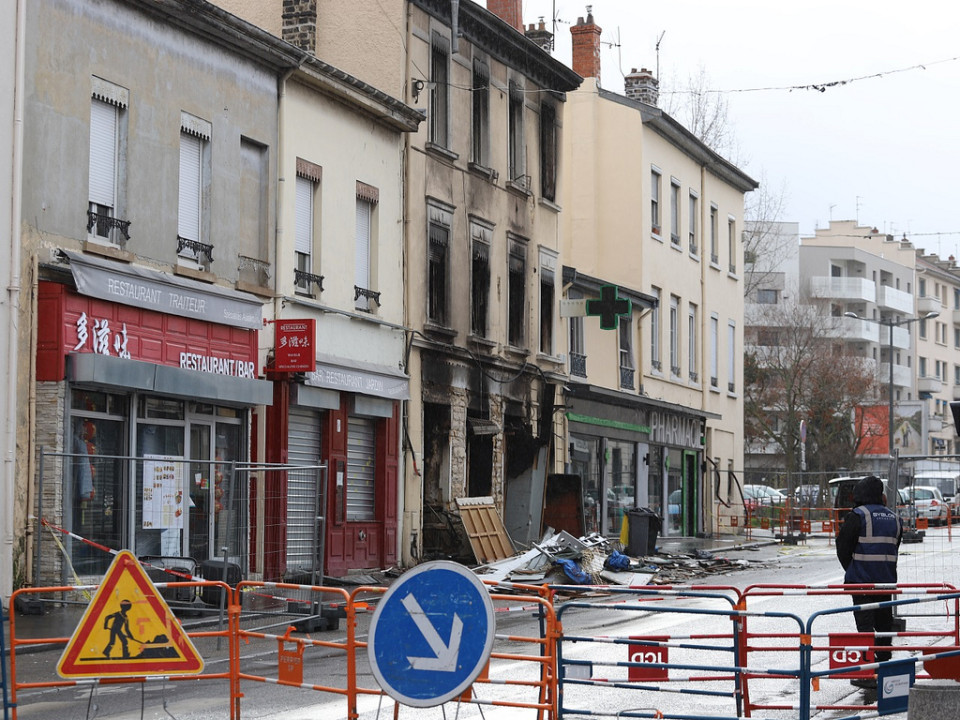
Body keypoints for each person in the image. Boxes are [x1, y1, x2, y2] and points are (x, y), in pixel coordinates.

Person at [836, 475, 903, 689]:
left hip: (862, 583)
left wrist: (853, 569)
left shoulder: (857, 516)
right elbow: (894, 547)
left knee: (865, 628)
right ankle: (884, 672)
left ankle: (868, 673)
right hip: (886, 582)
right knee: (884, 626)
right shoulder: (894, 518)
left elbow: (843, 548)